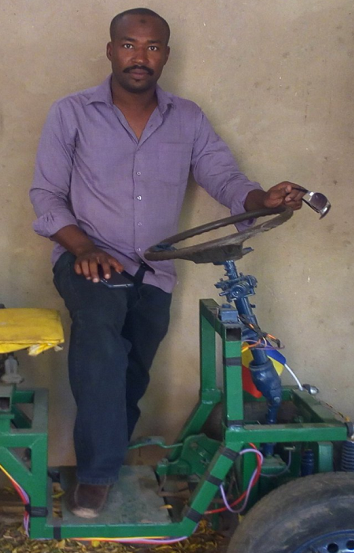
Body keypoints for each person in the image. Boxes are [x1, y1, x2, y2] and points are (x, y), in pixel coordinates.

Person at [29, 7, 303, 519]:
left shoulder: (189, 118)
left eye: (152, 47)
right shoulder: (71, 112)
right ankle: (95, 477)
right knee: (102, 347)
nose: (140, 57)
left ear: (165, 56)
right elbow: (45, 194)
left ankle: (104, 461)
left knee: (132, 373)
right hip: (90, 261)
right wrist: (84, 247)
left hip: (154, 269)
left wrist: (262, 199)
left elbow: (223, 177)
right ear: (110, 50)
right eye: (130, 45)